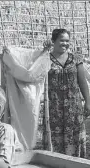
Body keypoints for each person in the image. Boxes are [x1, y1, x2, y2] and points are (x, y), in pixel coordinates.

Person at [37, 29, 90, 157]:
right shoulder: (46, 59)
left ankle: (76, 162)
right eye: (62, 40)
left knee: (74, 134)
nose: (65, 43)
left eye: (67, 41)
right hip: (54, 107)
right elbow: (32, 69)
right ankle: (57, 163)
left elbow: (82, 82)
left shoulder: (75, 59)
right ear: (53, 41)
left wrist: (88, 102)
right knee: (55, 136)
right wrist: (43, 52)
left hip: (74, 107)